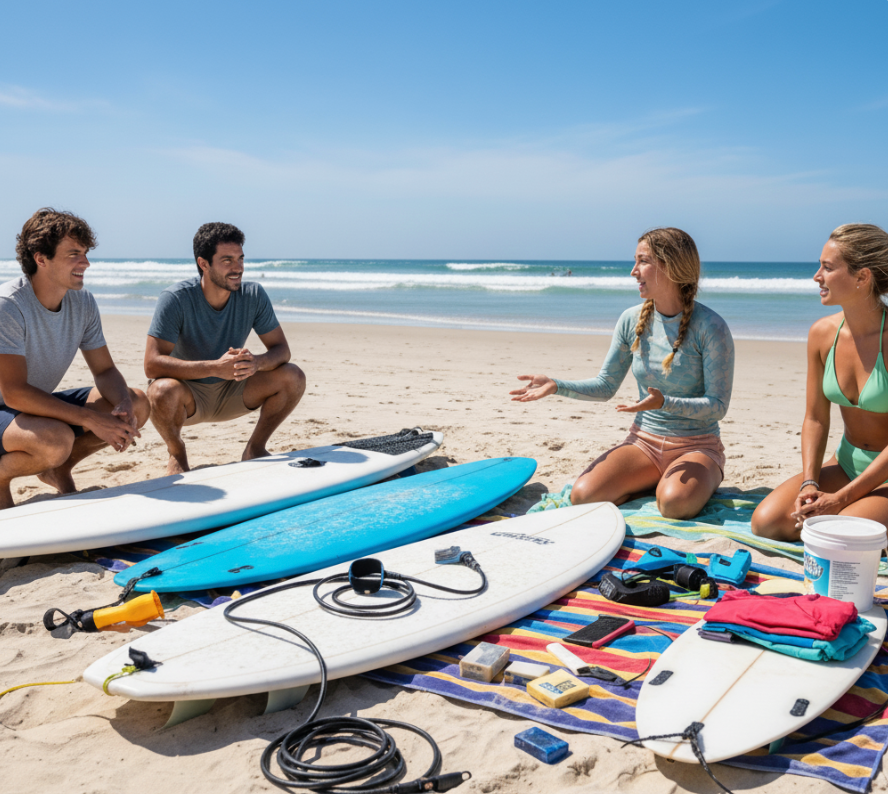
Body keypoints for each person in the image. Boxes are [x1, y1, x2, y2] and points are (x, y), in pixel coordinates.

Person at [510, 227, 734, 519]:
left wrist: (665, 403)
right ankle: (650, 481)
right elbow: (606, 386)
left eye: (643, 261)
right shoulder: (631, 320)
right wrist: (556, 385)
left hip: (697, 446)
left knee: (674, 505)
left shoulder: (711, 327)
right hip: (644, 442)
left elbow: (717, 407)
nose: (633, 271)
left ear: (669, 266)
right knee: (582, 495)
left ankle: (677, 484)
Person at [0, 208, 149, 509]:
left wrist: (121, 403)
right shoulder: (9, 306)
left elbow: (105, 369)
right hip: (7, 406)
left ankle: (58, 469)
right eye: (74, 254)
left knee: (138, 402)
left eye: (85, 253)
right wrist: (90, 419)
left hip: (31, 406)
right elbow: (13, 393)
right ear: (41, 258)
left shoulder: (83, 302)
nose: (86, 262)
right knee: (55, 440)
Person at [752, 224, 888, 541]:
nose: (817, 276)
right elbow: (815, 418)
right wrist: (810, 483)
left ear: (862, 277)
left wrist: (841, 499)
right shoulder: (822, 335)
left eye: (827, 267)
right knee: (767, 522)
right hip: (845, 463)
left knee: (834, 534)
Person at [145, 222, 305, 475]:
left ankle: (255, 448)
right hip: (187, 397)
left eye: (240, 259)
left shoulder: (253, 294)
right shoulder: (175, 298)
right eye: (227, 260)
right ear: (204, 263)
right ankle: (177, 454)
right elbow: (152, 364)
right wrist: (215, 368)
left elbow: (281, 350)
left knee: (293, 375)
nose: (238, 267)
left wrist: (256, 363)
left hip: (234, 390)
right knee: (160, 390)